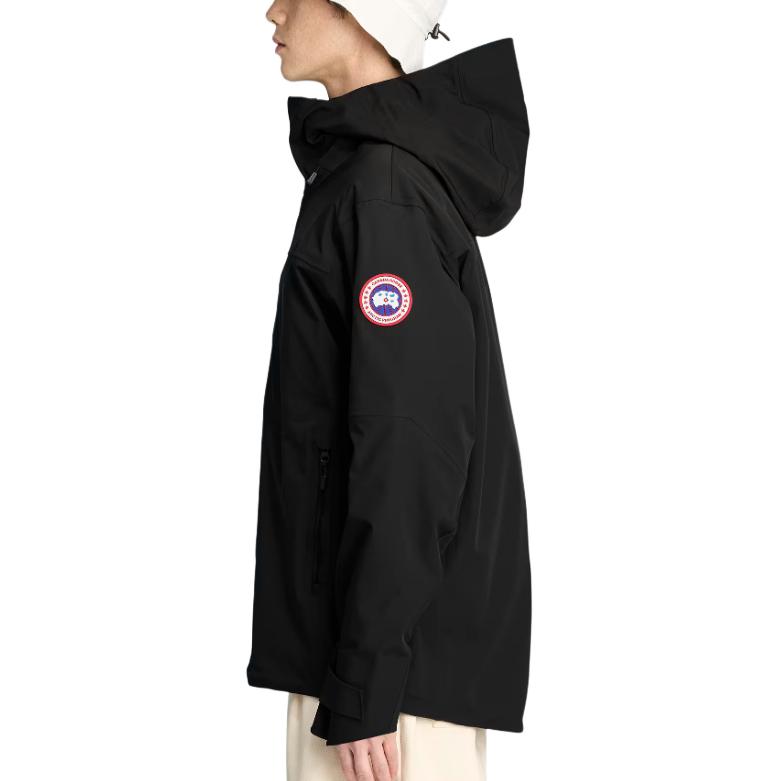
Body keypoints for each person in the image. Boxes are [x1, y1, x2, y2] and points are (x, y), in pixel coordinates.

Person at [248, 1, 532, 779]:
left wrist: (365, 680)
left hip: (383, 686)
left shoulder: (384, 188)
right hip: (368, 663)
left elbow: (408, 443)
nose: (272, 10)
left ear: (365, 12)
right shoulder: (368, 175)